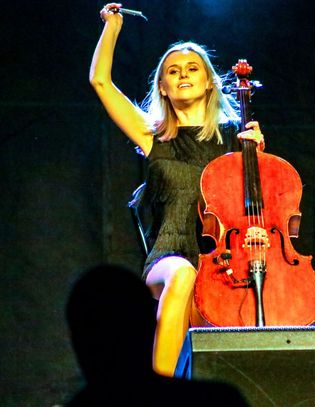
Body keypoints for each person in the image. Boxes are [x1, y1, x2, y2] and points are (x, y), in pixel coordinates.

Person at [89, 3, 264, 377]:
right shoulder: (153, 136)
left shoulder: (236, 137)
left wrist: (257, 157)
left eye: (192, 68)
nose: (183, 74)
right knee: (183, 274)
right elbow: (100, 82)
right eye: (173, 70)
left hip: (222, 259)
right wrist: (112, 26)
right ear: (163, 88)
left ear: (209, 82)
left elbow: (256, 207)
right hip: (169, 255)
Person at [65, 264, 249, 406]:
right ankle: (165, 378)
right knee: (183, 275)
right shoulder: (220, 399)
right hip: (175, 255)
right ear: (154, 325)